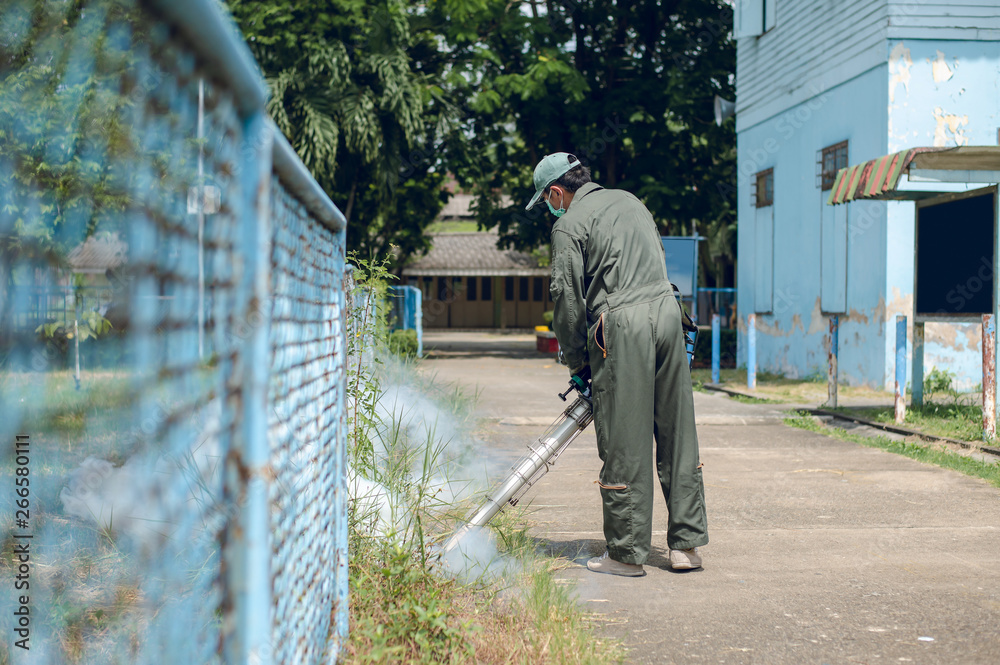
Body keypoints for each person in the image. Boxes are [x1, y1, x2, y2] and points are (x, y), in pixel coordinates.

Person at [526, 152, 708, 576]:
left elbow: (568, 301)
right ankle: (686, 546)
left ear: (557, 192)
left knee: (625, 439)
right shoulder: (631, 200)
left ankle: (626, 555)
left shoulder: (568, 225)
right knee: (677, 430)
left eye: (548, 201)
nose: (550, 209)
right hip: (669, 314)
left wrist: (578, 363)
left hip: (623, 326)